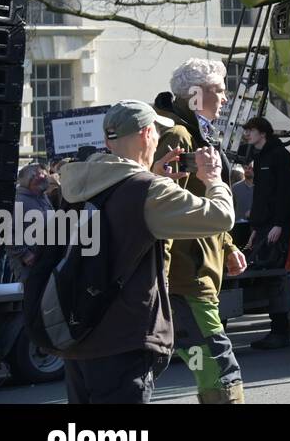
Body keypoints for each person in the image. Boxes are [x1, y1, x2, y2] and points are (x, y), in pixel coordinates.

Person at [57, 101, 235, 404]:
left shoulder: (74, 185)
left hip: (79, 335)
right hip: (124, 338)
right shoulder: (146, 191)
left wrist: (156, 179)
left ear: (107, 141)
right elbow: (220, 217)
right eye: (155, 133)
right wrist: (212, 178)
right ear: (146, 134)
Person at [154, 61, 248, 402]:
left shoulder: (194, 132)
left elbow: (198, 201)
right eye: (219, 90)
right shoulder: (178, 136)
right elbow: (165, 205)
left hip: (192, 275)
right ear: (195, 94)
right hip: (187, 278)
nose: (225, 97)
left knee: (207, 368)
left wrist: (226, 245)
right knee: (220, 372)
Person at [242, 116, 290, 349]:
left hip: (275, 225)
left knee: (274, 275)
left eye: (250, 130)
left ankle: (280, 331)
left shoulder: (279, 156)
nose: (247, 134)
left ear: (263, 132)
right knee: (265, 272)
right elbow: (261, 195)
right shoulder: (260, 156)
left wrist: (279, 223)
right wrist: (255, 227)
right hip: (263, 225)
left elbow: (284, 192)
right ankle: (276, 330)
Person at [9, 163, 51, 282]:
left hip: (44, 261)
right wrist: (24, 255)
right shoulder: (18, 201)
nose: (45, 176)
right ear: (29, 179)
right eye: (41, 174)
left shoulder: (42, 197)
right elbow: (7, 233)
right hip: (29, 267)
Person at [231, 163, 253, 249]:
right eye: (246, 168)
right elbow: (232, 206)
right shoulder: (235, 187)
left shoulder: (260, 188)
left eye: (250, 168)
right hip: (238, 226)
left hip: (254, 226)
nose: (248, 170)